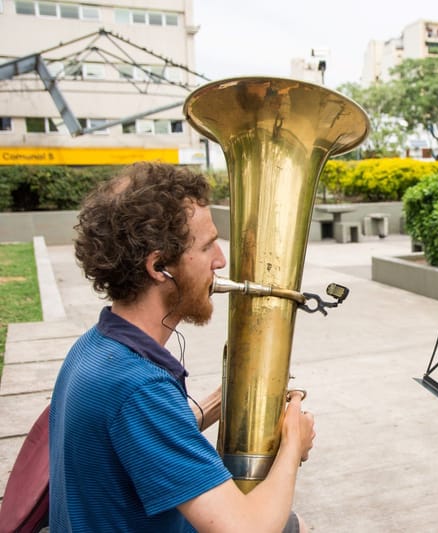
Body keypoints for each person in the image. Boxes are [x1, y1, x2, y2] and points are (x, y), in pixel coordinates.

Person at [49, 162, 315, 531]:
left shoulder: (95, 347)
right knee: (288, 524)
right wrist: (292, 444)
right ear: (160, 267)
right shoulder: (138, 387)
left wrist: (219, 402)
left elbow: (137, 440)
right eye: (207, 247)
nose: (221, 261)